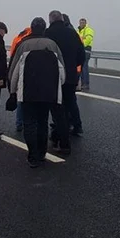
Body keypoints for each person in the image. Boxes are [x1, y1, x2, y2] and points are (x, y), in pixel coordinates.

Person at [8, 17, 65, 167]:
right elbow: (62, 71)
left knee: (29, 123)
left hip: (28, 92)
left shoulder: (23, 44)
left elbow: (14, 71)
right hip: (47, 92)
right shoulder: (52, 45)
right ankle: (41, 154)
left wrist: (12, 91)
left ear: (32, 28)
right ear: (44, 28)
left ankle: (32, 155)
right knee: (42, 122)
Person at [46, 10, 86, 147]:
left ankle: (58, 136)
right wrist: (74, 65)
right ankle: (77, 127)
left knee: (57, 107)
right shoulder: (72, 33)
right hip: (70, 75)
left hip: (53, 76)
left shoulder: (48, 34)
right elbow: (82, 55)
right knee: (70, 102)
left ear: (50, 20)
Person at [9, 26, 32, 131]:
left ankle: (19, 123)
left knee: (20, 96)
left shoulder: (17, 38)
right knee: (26, 98)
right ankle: (26, 122)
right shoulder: (27, 40)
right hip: (25, 67)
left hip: (17, 64)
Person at [77, 18, 94, 91]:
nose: (81, 24)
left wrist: (81, 44)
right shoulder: (78, 31)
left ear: (85, 23)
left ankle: (86, 84)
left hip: (86, 50)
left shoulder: (88, 30)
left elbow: (88, 39)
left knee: (84, 67)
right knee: (80, 68)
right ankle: (82, 84)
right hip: (80, 50)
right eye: (80, 22)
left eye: (83, 22)